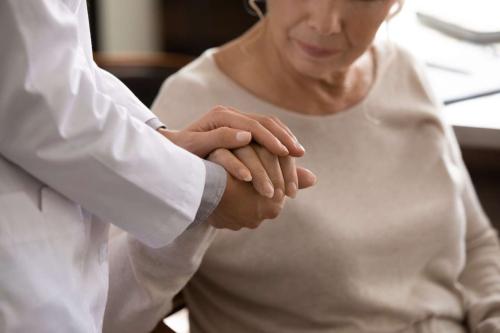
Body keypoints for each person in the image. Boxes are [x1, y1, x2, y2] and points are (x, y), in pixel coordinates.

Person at [109, 0, 500, 332]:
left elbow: (476, 243)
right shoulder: (192, 112)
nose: (324, 22)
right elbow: (109, 305)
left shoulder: (405, 70)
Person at [0, 1, 316, 332]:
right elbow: (32, 92)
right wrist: (206, 190)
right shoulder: (194, 91)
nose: (327, 23)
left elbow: (66, 66)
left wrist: (164, 141)